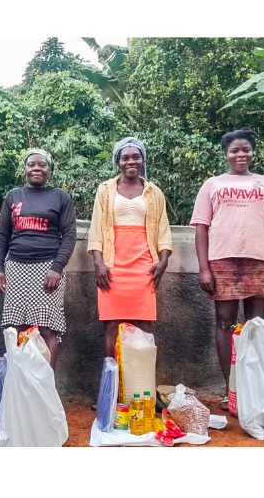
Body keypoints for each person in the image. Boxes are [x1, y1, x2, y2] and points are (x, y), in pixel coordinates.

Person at [191, 128, 264, 412]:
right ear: (225, 154)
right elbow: (201, 227)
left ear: (253, 151)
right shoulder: (212, 184)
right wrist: (204, 268)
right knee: (224, 323)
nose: (240, 154)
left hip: (260, 260)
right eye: (234, 150)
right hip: (222, 260)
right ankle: (230, 388)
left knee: (257, 327)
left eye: (245, 149)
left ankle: (255, 388)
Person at [88, 137, 173, 360]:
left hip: (144, 266)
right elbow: (96, 228)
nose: (131, 161)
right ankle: (111, 387)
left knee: (144, 325)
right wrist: (99, 264)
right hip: (112, 265)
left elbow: (163, 230)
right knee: (111, 325)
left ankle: (141, 387)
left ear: (143, 160)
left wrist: (163, 261)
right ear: (118, 162)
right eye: (125, 158)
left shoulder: (154, 192)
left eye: (136, 157)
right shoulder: (105, 190)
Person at [0, 150, 77, 368]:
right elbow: (2, 235)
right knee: (16, 327)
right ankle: (19, 384)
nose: (37, 168)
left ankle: (45, 385)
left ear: (49, 170)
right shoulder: (13, 196)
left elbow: (69, 235)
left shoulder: (60, 197)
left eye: (42, 165)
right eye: (32, 165)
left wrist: (57, 267)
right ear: (25, 169)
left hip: (48, 268)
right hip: (16, 268)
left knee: (46, 328)